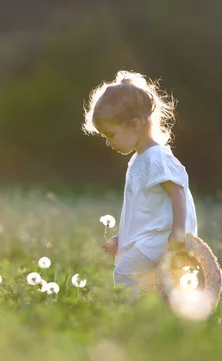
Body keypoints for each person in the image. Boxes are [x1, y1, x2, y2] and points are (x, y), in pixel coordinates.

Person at [82, 70, 198, 300]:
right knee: (153, 282)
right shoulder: (140, 159)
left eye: (110, 134)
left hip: (164, 237)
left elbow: (178, 192)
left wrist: (177, 232)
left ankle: (130, 314)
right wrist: (120, 237)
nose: (107, 142)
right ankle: (158, 315)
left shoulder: (156, 158)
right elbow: (141, 211)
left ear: (133, 125)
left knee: (125, 272)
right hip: (152, 236)